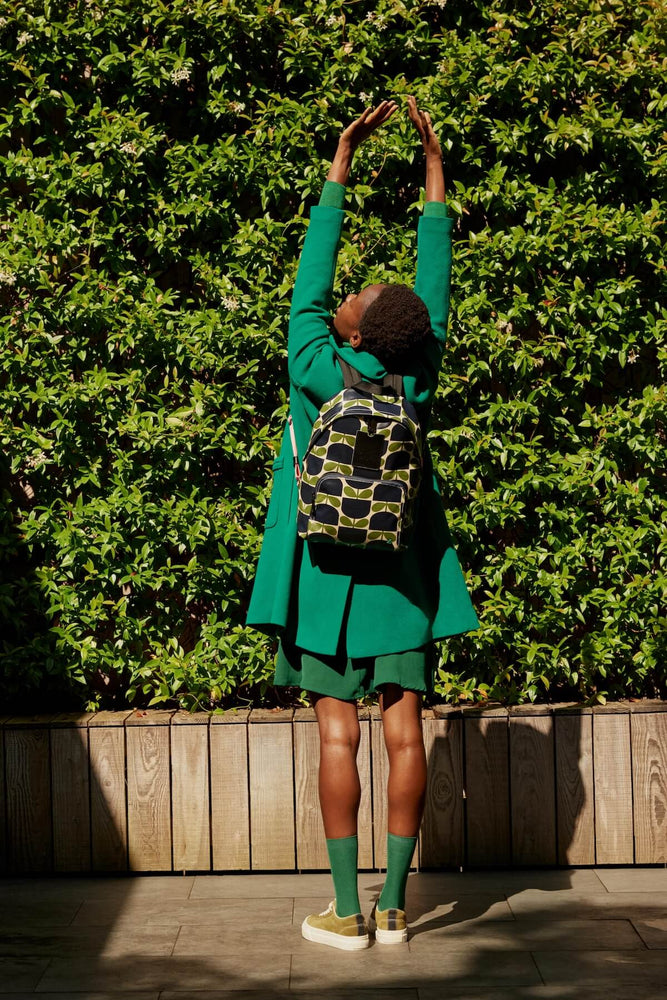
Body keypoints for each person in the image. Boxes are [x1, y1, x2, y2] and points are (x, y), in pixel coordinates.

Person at [246, 95, 480, 949]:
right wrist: (433, 174)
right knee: (403, 730)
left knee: (337, 735)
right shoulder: (418, 376)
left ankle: (344, 911)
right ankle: (393, 905)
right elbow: (434, 282)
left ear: (353, 328)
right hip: (400, 576)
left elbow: (312, 273)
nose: (346, 293)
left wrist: (339, 166)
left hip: (320, 575)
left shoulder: (312, 366)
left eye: (355, 297)